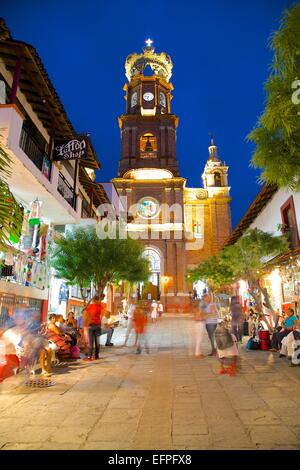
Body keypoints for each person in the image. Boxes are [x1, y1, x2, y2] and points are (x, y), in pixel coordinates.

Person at [83, 295, 103, 361]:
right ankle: (96, 355)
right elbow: (102, 315)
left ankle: (89, 356)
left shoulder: (90, 307)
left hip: (91, 326)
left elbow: (86, 315)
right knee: (97, 342)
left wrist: (85, 324)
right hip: (98, 326)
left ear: (93, 300)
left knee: (91, 342)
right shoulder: (100, 307)